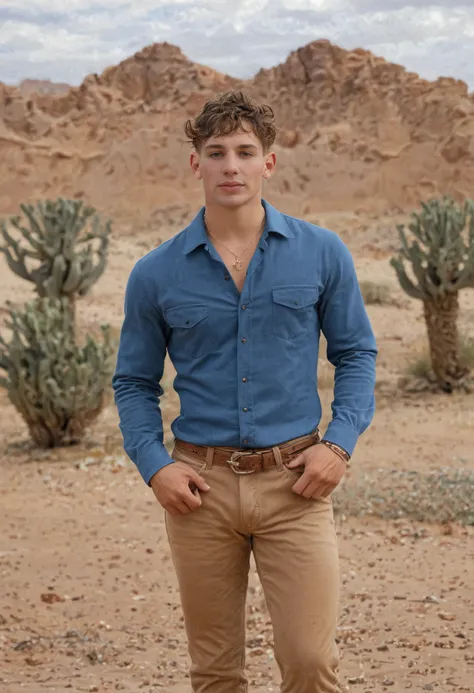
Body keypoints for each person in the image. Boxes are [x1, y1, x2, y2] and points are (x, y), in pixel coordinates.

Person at [112, 90, 377, 693]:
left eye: (244, 151)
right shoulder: (155, 273)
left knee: (311, 663)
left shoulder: (321, 252)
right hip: (197, 493)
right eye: (216, 152)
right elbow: (133, 382)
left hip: (296, 484)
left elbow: (356, 354)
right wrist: (155, 466)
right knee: (215, 672)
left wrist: (338, 445)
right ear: (195, 164)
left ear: (269, 163)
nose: (230, 165)